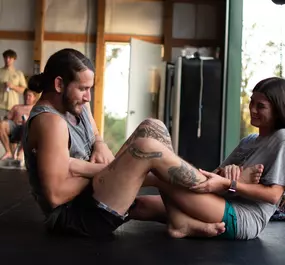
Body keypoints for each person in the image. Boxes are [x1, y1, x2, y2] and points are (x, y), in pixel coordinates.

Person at [23, 48, 283, 240]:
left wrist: (99, 144)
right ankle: (199, 194)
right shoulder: (51, 123)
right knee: (147, 150)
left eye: (90, 89)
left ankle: (181, 219)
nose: (88, 97)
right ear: (59, 84)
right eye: (83, 89)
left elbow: (93, 131)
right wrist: (122, 169)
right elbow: (56, 195)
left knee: (153, 127)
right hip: (76, 217)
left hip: (91, 196)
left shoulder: (75, 104)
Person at [130, 77, 285, 240]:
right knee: (140, 205)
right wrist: (226, 173)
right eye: (252, 102)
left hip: (242, 217)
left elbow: (274, 195)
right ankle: (180, 222)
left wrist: (231, 183)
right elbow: (214, 175)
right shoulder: (248, 140)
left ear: (278, 109)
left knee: (163, 174)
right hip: (217, 201)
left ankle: (115, 176)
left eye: (260, 106)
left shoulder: (281, 139)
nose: (252, 109)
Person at [0, 88, 37, 161]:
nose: (27, 97)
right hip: (14, 127)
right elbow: (7, 118)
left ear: (34, 97)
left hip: (28, 129)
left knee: (27, 125)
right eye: (25, 95)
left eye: (29, 95)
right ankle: (8, 151)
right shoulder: (16, 107)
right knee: (2, 124)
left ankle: (21, 152)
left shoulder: (36, 108)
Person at [0, 49, 27, 118]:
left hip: (13, 107)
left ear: (14, 59)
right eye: (6, 57)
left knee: (11, 127)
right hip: (0, 106)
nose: (7, 60)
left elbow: (24, 90)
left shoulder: (19, 73)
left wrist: (13, 86)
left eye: (10, 58)